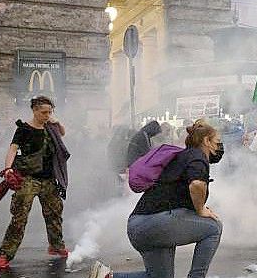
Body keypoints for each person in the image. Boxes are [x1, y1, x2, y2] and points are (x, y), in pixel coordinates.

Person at [89, 119, 224, 278]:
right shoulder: (197, 155)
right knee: (214, 228)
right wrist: (201, 210)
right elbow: (196, 185)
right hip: (155, 223)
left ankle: (106, 276)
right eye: (217, 141)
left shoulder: (182, 156)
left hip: (139, 225)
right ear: (206, 141)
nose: (219, 146)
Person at [0, 96, 71, 270]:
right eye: (44, 112)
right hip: (28, 178)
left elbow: (63, 133)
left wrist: (56, 121)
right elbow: (13, 149)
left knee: (54, 213)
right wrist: (8, 169)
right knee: (19, 217)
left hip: (49, 179)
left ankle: (56, 246)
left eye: (50, 112)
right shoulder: (24, 129)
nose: (47, 115)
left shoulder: (51, 127)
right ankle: (5, 254)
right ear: (34, 110)